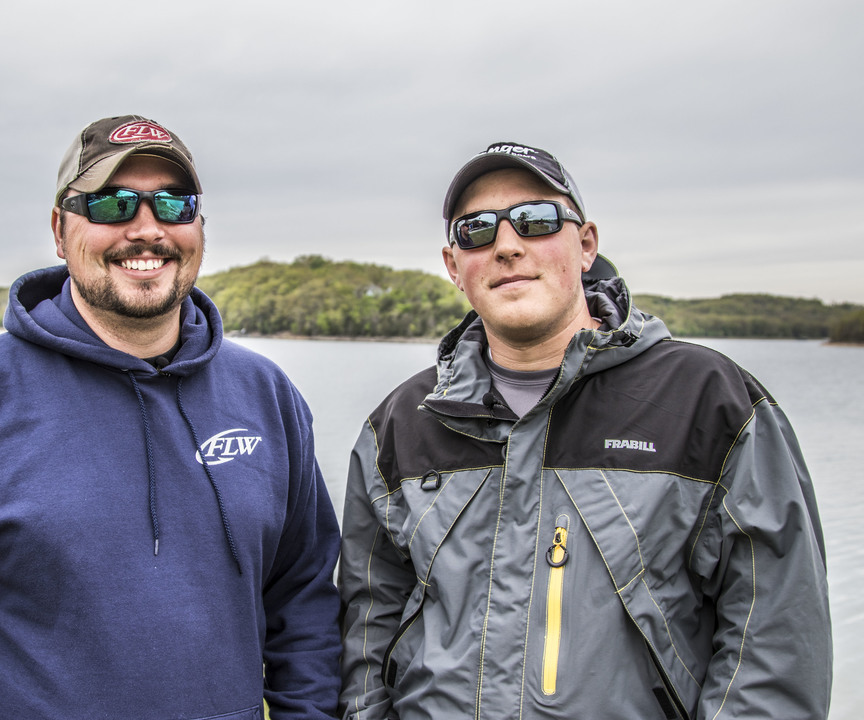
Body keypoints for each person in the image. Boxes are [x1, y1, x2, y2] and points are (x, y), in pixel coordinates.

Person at [0, 115, 341, 719]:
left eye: (175, 204)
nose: (146, 229)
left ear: (199, 226)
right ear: (59, 228)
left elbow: (304, 599)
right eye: (111, 205)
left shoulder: (267, 398)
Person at [337, 141, 832, 719]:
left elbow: (773, 646)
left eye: (536, 220)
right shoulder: (399, 425)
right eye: (476, 231)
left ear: (587, 244)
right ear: (453, 265)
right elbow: (366, 637)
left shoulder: (711, 404)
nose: (507, 246)